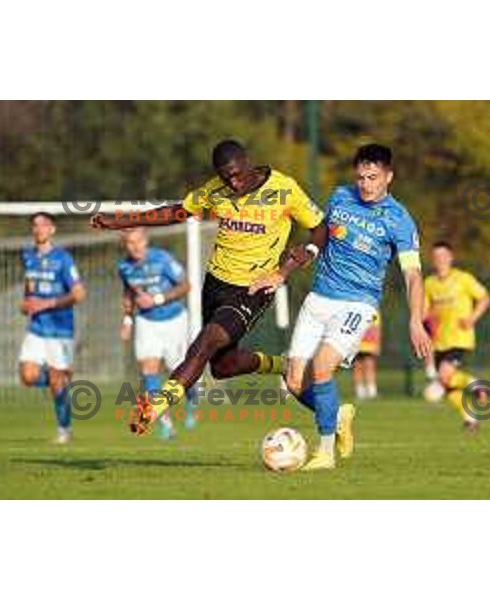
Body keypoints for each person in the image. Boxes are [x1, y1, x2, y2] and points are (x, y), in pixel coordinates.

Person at [92, 139, 326, 434]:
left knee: (203, 343)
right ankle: (283, 364)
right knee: (222, 366)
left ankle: (156, 406)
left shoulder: (284, 189)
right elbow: (175, 212)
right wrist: (122, 221)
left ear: (247, 161)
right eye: (226, 176)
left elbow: (320, 227)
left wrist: (309, 253)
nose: (233, 181)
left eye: (237, 173)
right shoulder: (215, 190)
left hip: (253, 289)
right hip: (215, 284)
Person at [284, 144, 432, 470]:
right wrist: (308, 251)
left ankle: (325, 453)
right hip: (318, 298)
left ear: (389, 177)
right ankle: (337, 415)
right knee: (294, 381)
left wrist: (416, 321)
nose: (366, 184)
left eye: (373, 177)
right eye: (362, 177)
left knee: (322, 367)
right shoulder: (339, 196)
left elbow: (413, 275)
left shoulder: (399, 220)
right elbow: (322, 234)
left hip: (357, 303)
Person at [118, 228, 196, 439]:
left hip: (174, 320)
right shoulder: (124, 266)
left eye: (138, 241)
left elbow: (186, 285)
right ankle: (165, 423)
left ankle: (192, 400)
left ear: (145, 240)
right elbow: (128, 294)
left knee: (179, 371)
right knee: (148, 370)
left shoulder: (162, 259)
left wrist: (158, 299)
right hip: (146, 322)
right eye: (129, 243)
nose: (134, 247)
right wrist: (127, 319)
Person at [19, 212, 87, 443]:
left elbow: (79, 294)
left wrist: (46, 303)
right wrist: (26, 303)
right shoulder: (28, 256)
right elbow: (29, 288)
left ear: (52, 229)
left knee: (58, 382)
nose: (38, 229)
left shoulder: (63, 259)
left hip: (61, 331)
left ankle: (64, 429)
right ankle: (60, 378)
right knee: (27, 377)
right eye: (35, 225)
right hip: (37, 328)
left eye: (43, 224)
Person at [424, 241, 490, 431]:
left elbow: (485, 298)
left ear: (451, 258)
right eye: (436, 257)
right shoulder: (429, 283)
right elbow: (424, 312)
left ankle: (476, 385)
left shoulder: (463, 279)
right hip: (439, 341)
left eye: (443, 256)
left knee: (445, 374)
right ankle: (471, 419)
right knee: (448, 385)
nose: (440, 260)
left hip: (460, 338)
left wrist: (472, 318)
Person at [352, 311, 381, 401]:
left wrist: (377, 344)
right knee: (357, 366)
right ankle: (360, 392)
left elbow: (376, 329)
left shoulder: (373, 311)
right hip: (356, 343)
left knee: (369, 365)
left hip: (369, 344)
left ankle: (371, 391)